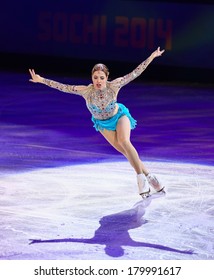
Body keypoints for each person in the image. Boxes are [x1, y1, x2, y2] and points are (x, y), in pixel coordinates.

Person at [29, 47, 165, 199]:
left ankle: (141, 180)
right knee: (125, 152)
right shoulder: (86, 91)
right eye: (95, 77)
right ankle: (151, 177)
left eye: (101, 77)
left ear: (107, 77)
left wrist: (152, 56)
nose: (98, 81)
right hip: (103, 124)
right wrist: (41, 80)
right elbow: (63, 87)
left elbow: (135, 72)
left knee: (125, 141)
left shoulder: (115, 85)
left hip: (119, 116)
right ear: (91, 78)